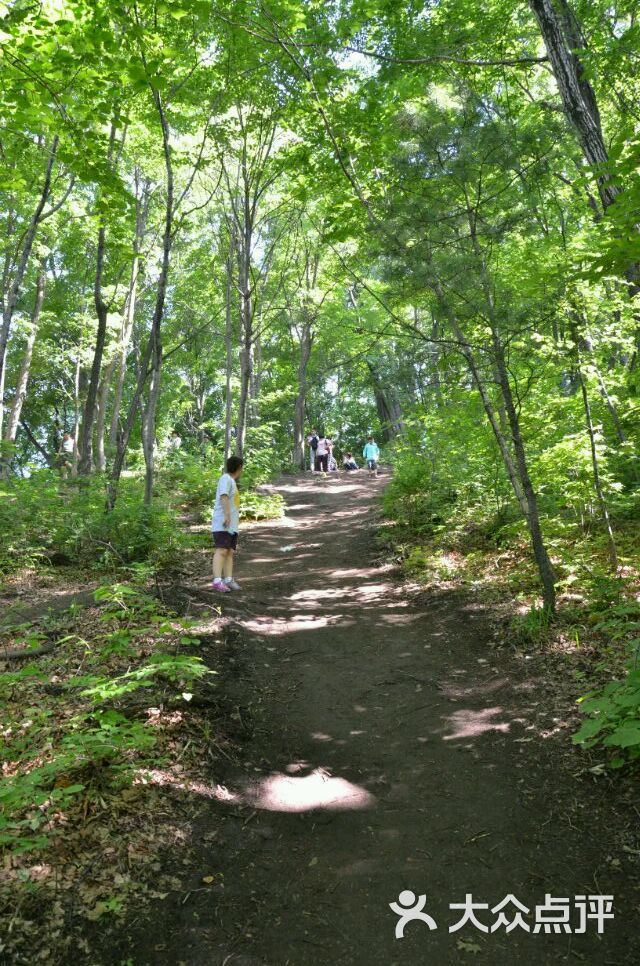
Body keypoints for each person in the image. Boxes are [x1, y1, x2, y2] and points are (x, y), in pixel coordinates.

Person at [211, 455, 244, 593]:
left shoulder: (231, 481)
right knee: (222, 550)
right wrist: (227, 516)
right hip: (223, 522)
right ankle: (217, 581)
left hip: (231, 525)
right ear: (239, 468)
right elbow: (223, 496)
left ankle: (228, 579)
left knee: (229, 551)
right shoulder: (225, 479)